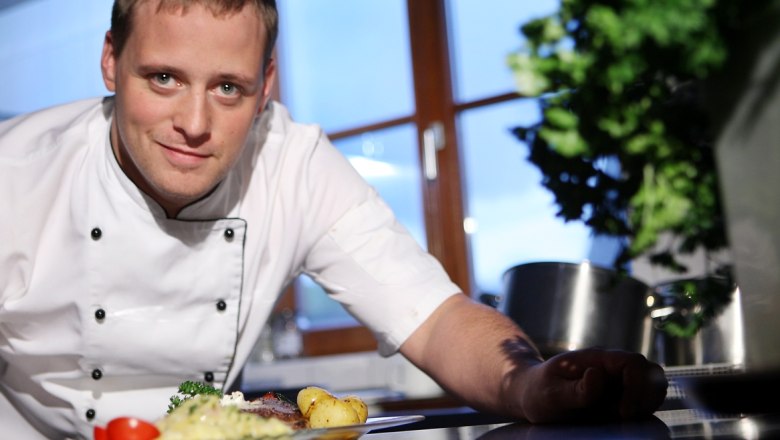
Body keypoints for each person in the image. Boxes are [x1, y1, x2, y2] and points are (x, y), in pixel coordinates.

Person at [0, 0, 667, 438]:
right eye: (164, 78)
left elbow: (433, 318)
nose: (195, 125)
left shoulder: (295, 165)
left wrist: (528, 383)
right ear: (111, 62)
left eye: (227, 87)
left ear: (265, 87)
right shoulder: (15, 172)